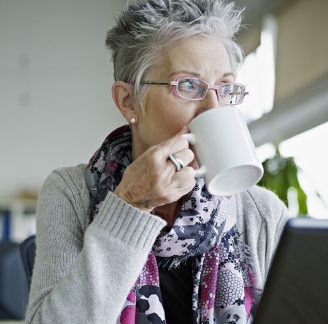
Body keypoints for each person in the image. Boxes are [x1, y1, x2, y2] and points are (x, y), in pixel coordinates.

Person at [25, 1, 289, 323]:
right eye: (189, 85)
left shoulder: (261, 214)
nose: (213, 107)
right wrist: (131, 204)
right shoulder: (71, 193)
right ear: (128, 100)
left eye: (224, 87)